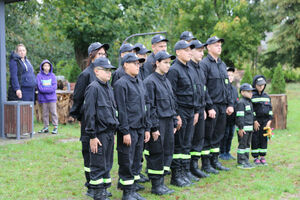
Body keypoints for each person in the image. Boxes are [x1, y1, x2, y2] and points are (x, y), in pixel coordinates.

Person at [69, 42, 110, 198]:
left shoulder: (104, 74)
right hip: (89, 122)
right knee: (89, 153)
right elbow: (78, 99)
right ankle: (91, 186)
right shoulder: (86, 74)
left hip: (102, 123)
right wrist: (81, 118)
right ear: (91, 55)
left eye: (104, 54)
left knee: (100, 155)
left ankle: (100, 185)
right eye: (99, 54)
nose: (102, 56)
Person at [113, 53, 150, 200]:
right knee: (126, 160)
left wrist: (147, 127)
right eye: (134, 63)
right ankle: (127, 193)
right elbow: (121, 110)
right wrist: (125, 131)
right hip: (129, 130)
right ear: (125, 65)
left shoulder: (139, 82)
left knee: (136, 159)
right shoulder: (121, 84)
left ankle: (133, 190)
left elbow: (145, 106)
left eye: (139, 63)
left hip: (140, 127)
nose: (138, 66)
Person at [84, 57, 118, 200]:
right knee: (98, 164)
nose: (109, 73)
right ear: (97, 71)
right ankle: (98, 193)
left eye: (110, 70)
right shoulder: (93, 88)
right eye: (106, 70)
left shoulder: (108, 88)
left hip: (109, 133)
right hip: (99, 134)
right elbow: (89, 113)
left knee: (107, 163)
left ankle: (104, 190)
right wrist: (92, 136)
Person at [144, 51, 177, 195]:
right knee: (156, 152)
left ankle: (162, 182)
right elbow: (150, 107)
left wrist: (175, 120)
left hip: (168, 121)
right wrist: (154, 127)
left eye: (169, 63)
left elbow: (172, 102)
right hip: (158, 123)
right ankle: (156, 185)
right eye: (165, 62)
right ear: (157, 63)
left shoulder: (166, 80)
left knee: (168, 151)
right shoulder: (150, 82)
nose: (168, 65)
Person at [167, 40, 199, 187]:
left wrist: (196, 111)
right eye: (186, 50)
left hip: (191, 110)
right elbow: (171, 94)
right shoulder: (174, 70)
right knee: (179, 145)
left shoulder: (190, 69)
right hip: (180, 111)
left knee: (187, 144)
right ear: (178, 52)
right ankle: (176, 175)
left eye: (190, 50)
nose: (189, 52)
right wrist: (176, 115)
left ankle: (185, 172)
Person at [200, 36, 234, 174]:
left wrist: (230, 104)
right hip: (212, 107)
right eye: (216, 45)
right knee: (208, 136)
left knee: (219, 135)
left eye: (220, 45)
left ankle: (215, 161)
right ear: (208, 47)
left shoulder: (221, 64)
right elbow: (203, 87)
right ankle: (206, 164)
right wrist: (209, 107)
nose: (219, 47)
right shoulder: (204, 64)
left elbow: (227, 86)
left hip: (222, 106)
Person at [187, 40, 209, 178]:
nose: (202, 54)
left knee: (199, 138)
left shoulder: (200, 68)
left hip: (201, 109)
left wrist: (204, 108)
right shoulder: (187, 68)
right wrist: (195, 110)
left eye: (203, 51)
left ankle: (194, 166)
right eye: (199, 51)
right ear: (191, 51)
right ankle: (187, 168)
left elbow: (203, 90)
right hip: (191, 110)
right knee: (189, 139)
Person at [251, 75, 273, 165]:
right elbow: (251, 110)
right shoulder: (252, 96)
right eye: (259, 85)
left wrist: (269, 121)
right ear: (255, 85)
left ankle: (262, 156)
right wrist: (254, 121)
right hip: (256, 122)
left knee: (264, 138)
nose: (261, 86)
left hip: (265, 122)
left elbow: (270, 110)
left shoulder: (267, 96)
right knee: (255, 138)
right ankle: (256, 157)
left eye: (263, 85)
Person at [219, 67, 239, 160]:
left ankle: (227, 151)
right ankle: (222, 152)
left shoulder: (234, 89)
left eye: (231, 75)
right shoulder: (222, 88)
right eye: (228, 75)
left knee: (231, 134)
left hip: (233, 118)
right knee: (225, 134)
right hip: (225, 116)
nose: (230, 77)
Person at [235, 83, 255, 169]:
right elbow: (240, 116)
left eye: (251, 92)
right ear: (242, 92)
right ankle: (241, 162)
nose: (251, 93)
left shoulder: (249, 102)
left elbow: (252, 114)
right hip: (243, 129)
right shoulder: (241, 103)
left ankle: (246, 160)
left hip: (249, 128)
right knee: (242, 145)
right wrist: (240, 128)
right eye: (248, 92)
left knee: (247, 145)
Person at [36, 60, 58, 134]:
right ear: (42, 66)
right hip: (43, 98)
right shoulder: (39, 76)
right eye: (45, 65)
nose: (46, 67)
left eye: (48, 65)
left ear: (50, 67)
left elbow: (54, 87)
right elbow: (39, 87)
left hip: (52, 98)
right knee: (44, 113)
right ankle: (46, 127)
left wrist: (45, 89)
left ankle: (55, 127)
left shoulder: (53, 76)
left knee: (53, 112)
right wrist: (48, 89)